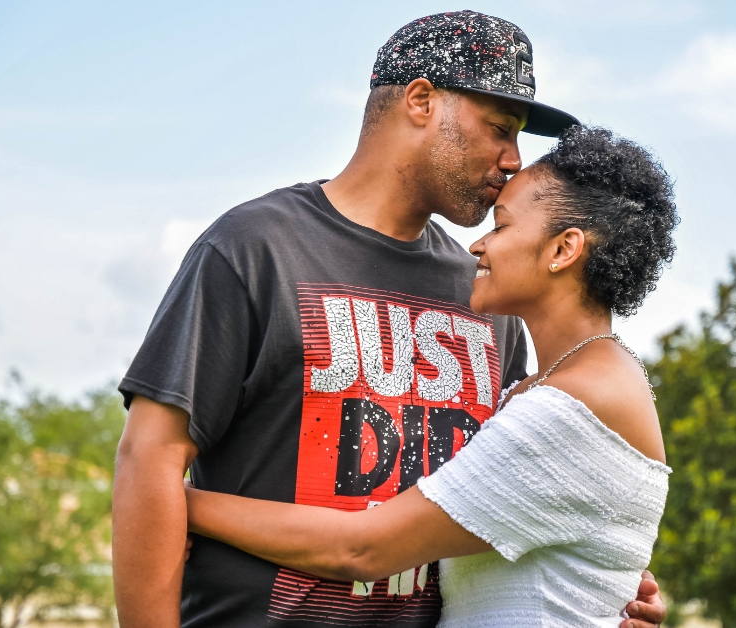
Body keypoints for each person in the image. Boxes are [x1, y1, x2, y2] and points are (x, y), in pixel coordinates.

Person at [111, 10, 669, 628]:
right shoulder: (256, 247)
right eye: (499, 128)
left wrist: (599, 586)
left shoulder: (488, 296)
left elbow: (515, 494)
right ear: (422, 101)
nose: (513, 159)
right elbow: (149, 460)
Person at [184, 125, 679, 627]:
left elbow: (363, 550)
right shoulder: (541, 389)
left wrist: (180, 502)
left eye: (502, 227)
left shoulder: (576, 402)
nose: (479, 246)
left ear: (563, 250)